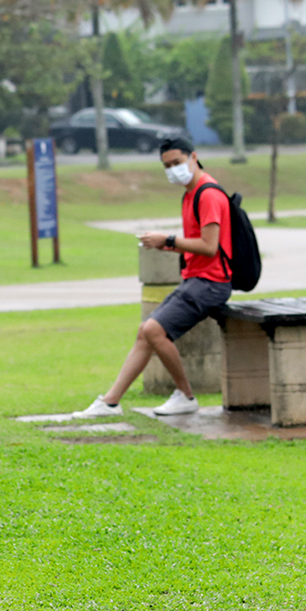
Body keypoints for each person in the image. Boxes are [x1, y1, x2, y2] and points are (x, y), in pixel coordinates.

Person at [82, 135, 232, 417]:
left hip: (211, 283)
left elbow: (210, 247)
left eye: (177, 162)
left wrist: (168, 240)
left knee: (153, 330)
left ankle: (185, 395)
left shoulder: (208, 194)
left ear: (193, 157)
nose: (173, 170)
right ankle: (110, 402)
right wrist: (166, 244)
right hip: (196, 279)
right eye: (167, 166)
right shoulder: (191, 194)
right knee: (145, 332)